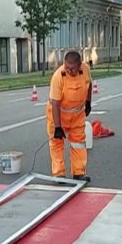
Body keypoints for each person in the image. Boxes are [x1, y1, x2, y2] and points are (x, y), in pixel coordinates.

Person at [46, 51, 92, 182]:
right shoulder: (58, 76)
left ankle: (79, 172)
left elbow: (89, 86)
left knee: (78, 143)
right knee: (56, 143)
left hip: (77, 115)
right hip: (58, 113)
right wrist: (58, 127)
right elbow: (55, 103)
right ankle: (59, 174)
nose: (69, 70)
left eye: (72, 68)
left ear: (79, 65)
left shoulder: (85, 70)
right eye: (67, 67)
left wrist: (88, 102)